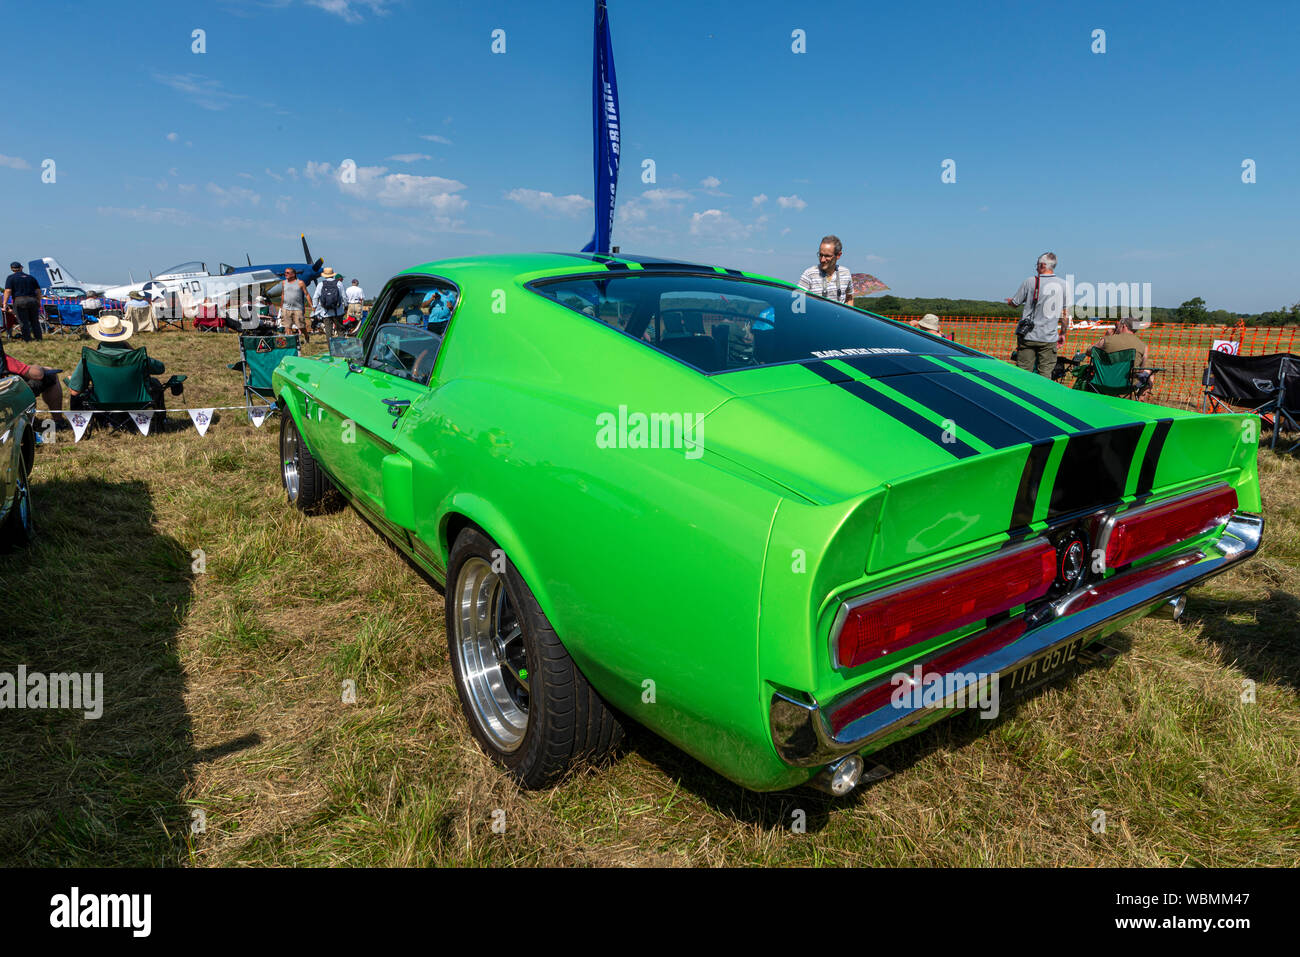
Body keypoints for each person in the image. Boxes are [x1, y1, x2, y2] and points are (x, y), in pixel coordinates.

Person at [67, 313, 177, 410]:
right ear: (122, 334)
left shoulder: (90, 358)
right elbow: (160, 368)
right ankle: (161, 419)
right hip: (138, 403)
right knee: (155, 382)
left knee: (73, 382)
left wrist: (72, 381)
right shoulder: (136, 357)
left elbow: (74, 391)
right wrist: (132, 350)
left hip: (101, 403)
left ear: (99, 334)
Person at [1007, 252, 1071, 377]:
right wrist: (1063, 333)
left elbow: (1015, 303)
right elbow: (1065, 314)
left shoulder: (1029, 282)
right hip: (1048, 338)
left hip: (1027, 336)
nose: (1036, 267)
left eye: (1037, 264)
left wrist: (1010, 301)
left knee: (1023, 374)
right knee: (1045, 376)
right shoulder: (1064, 285)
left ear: (1042, 265)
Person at [0, 339, 62, 413]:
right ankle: (58, 421)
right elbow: (37, 374)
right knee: (50, 374)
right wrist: (41, 368)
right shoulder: (4, 359)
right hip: (4, 397)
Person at [797, 235, 854, 307]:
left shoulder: (846, 273)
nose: (822, 260)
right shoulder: (809, 274)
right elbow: (797, 302)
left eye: (827, 256)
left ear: (838, 255)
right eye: (820, 255)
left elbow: (849, 298)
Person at [3, 261, 44, 341]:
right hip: (33, 300)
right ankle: (38, 338)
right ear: (21, 267)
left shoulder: (11, 278)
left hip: (20, 300)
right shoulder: (31, 277)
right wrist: (38, 301)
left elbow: (8, 291)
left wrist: (5, 303)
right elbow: (38, 291)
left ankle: (27, 339)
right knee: (35, 321)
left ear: (12, 269)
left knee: (23, 321)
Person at [280, 267, 313, 343]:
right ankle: (291, 343)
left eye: (287, 273)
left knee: (301, 326)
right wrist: (281, 306)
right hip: (286, 308)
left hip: (298, 308)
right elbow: (283, 294)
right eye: (285, 272)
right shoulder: (284, 283)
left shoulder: (300, 283)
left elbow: (307, 294)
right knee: (287, 326)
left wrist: (311, 305)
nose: (285, 274)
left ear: (293, 274)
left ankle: (306, 336)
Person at [314, 267, 347, 338]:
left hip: (326, 312)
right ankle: (341, 347)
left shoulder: (321, 284)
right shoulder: (339, 283)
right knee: (340, 330)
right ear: (332, 274)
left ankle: (331, 348)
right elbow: (344, 297)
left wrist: (315, 307)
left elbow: (315, 297)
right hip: (338, 311)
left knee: (328, 332)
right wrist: (346, 306)